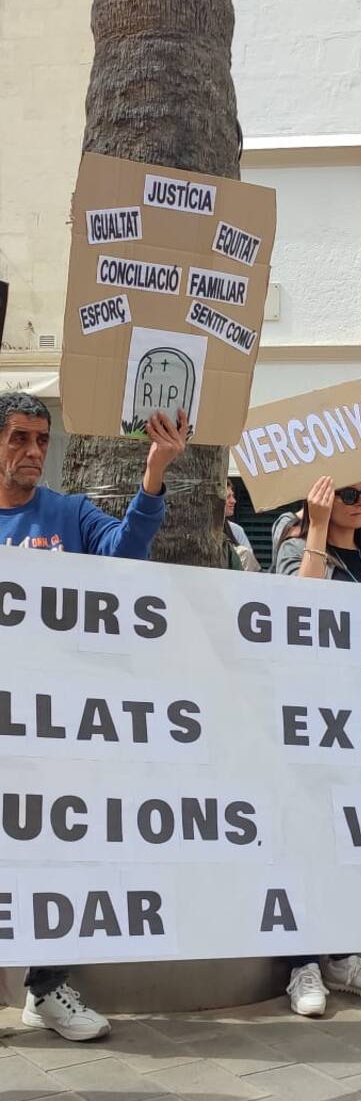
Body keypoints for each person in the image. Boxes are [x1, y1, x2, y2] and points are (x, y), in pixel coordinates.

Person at [0, 391, 189, 1040]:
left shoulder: (69, 515)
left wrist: (155, 472)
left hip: (57, 729)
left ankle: (46, 988)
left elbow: (123, 560)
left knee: (56, 856)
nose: (32, 452)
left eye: (41, 440)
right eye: (19, 438)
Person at [275, 474, 361, 1015]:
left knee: (358, 838)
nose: (358, 504)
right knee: (309, 839)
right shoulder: (295, 549)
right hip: (314, 717)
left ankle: (344, 954)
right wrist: (317, 529)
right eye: (346, 495)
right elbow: (300, 609)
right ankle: (303, 964)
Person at [224, 481, 260, 572]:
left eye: (233, 496)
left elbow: (249, 565)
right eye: (228, 497)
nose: (233, 501)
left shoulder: (236, 530)